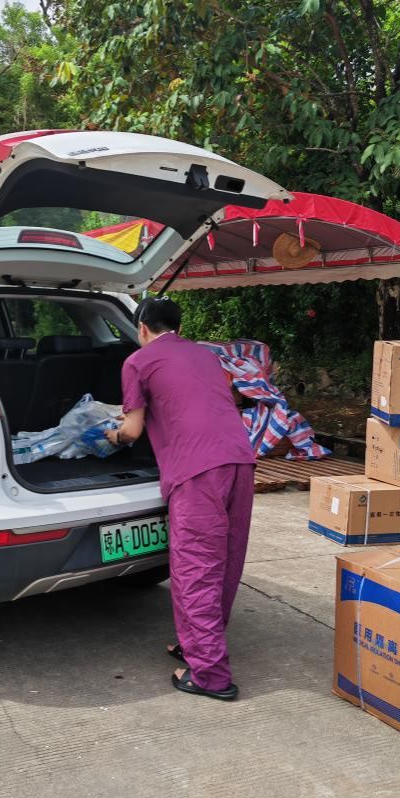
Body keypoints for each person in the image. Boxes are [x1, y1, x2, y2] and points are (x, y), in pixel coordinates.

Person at [106, 297, 255, 701]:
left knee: (196, 568)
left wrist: (111, 435)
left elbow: (132, 431)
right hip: (239, 459)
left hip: (197, 470)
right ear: (178, 327)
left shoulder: (138, 361)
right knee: (225, 559)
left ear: (142, 328)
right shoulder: (206, 355)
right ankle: (198, 647)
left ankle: (210, 675)